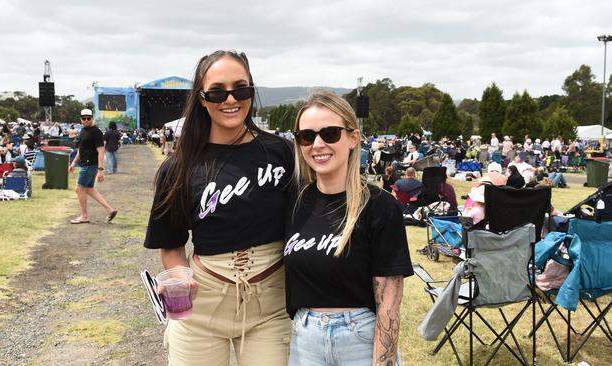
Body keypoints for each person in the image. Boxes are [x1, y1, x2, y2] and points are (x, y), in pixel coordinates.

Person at [143, 50, 294, 366]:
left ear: (251, 90)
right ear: (201, 98)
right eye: (217, 91)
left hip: (271, 308)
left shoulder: (281, 153)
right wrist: (181, 275)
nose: (230, 99)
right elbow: (170, 245)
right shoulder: (178, 168)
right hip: (201, 309)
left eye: (241, 88)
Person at [285, 92, 413, 365]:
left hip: (360, 340)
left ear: (353, 138)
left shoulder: (379, 206)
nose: (317, 144)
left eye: (330, 133)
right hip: (305, 340)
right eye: (306, 136)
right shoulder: (295, 204)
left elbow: (389, 305)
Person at [68, 109, 117, 224]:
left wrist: (101, 170)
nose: (86, 120)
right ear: (80, 119)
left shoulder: (96, 132)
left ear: (92, 118)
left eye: (88, 118)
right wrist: (74, 162)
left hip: (90, 164)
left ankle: (84, 216)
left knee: (79, 189)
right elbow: (81, 149)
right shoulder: (83, 131)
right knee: (89, 189)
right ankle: (110, 209)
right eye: (83, 118)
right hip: (85, 163)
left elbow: (101, 151)